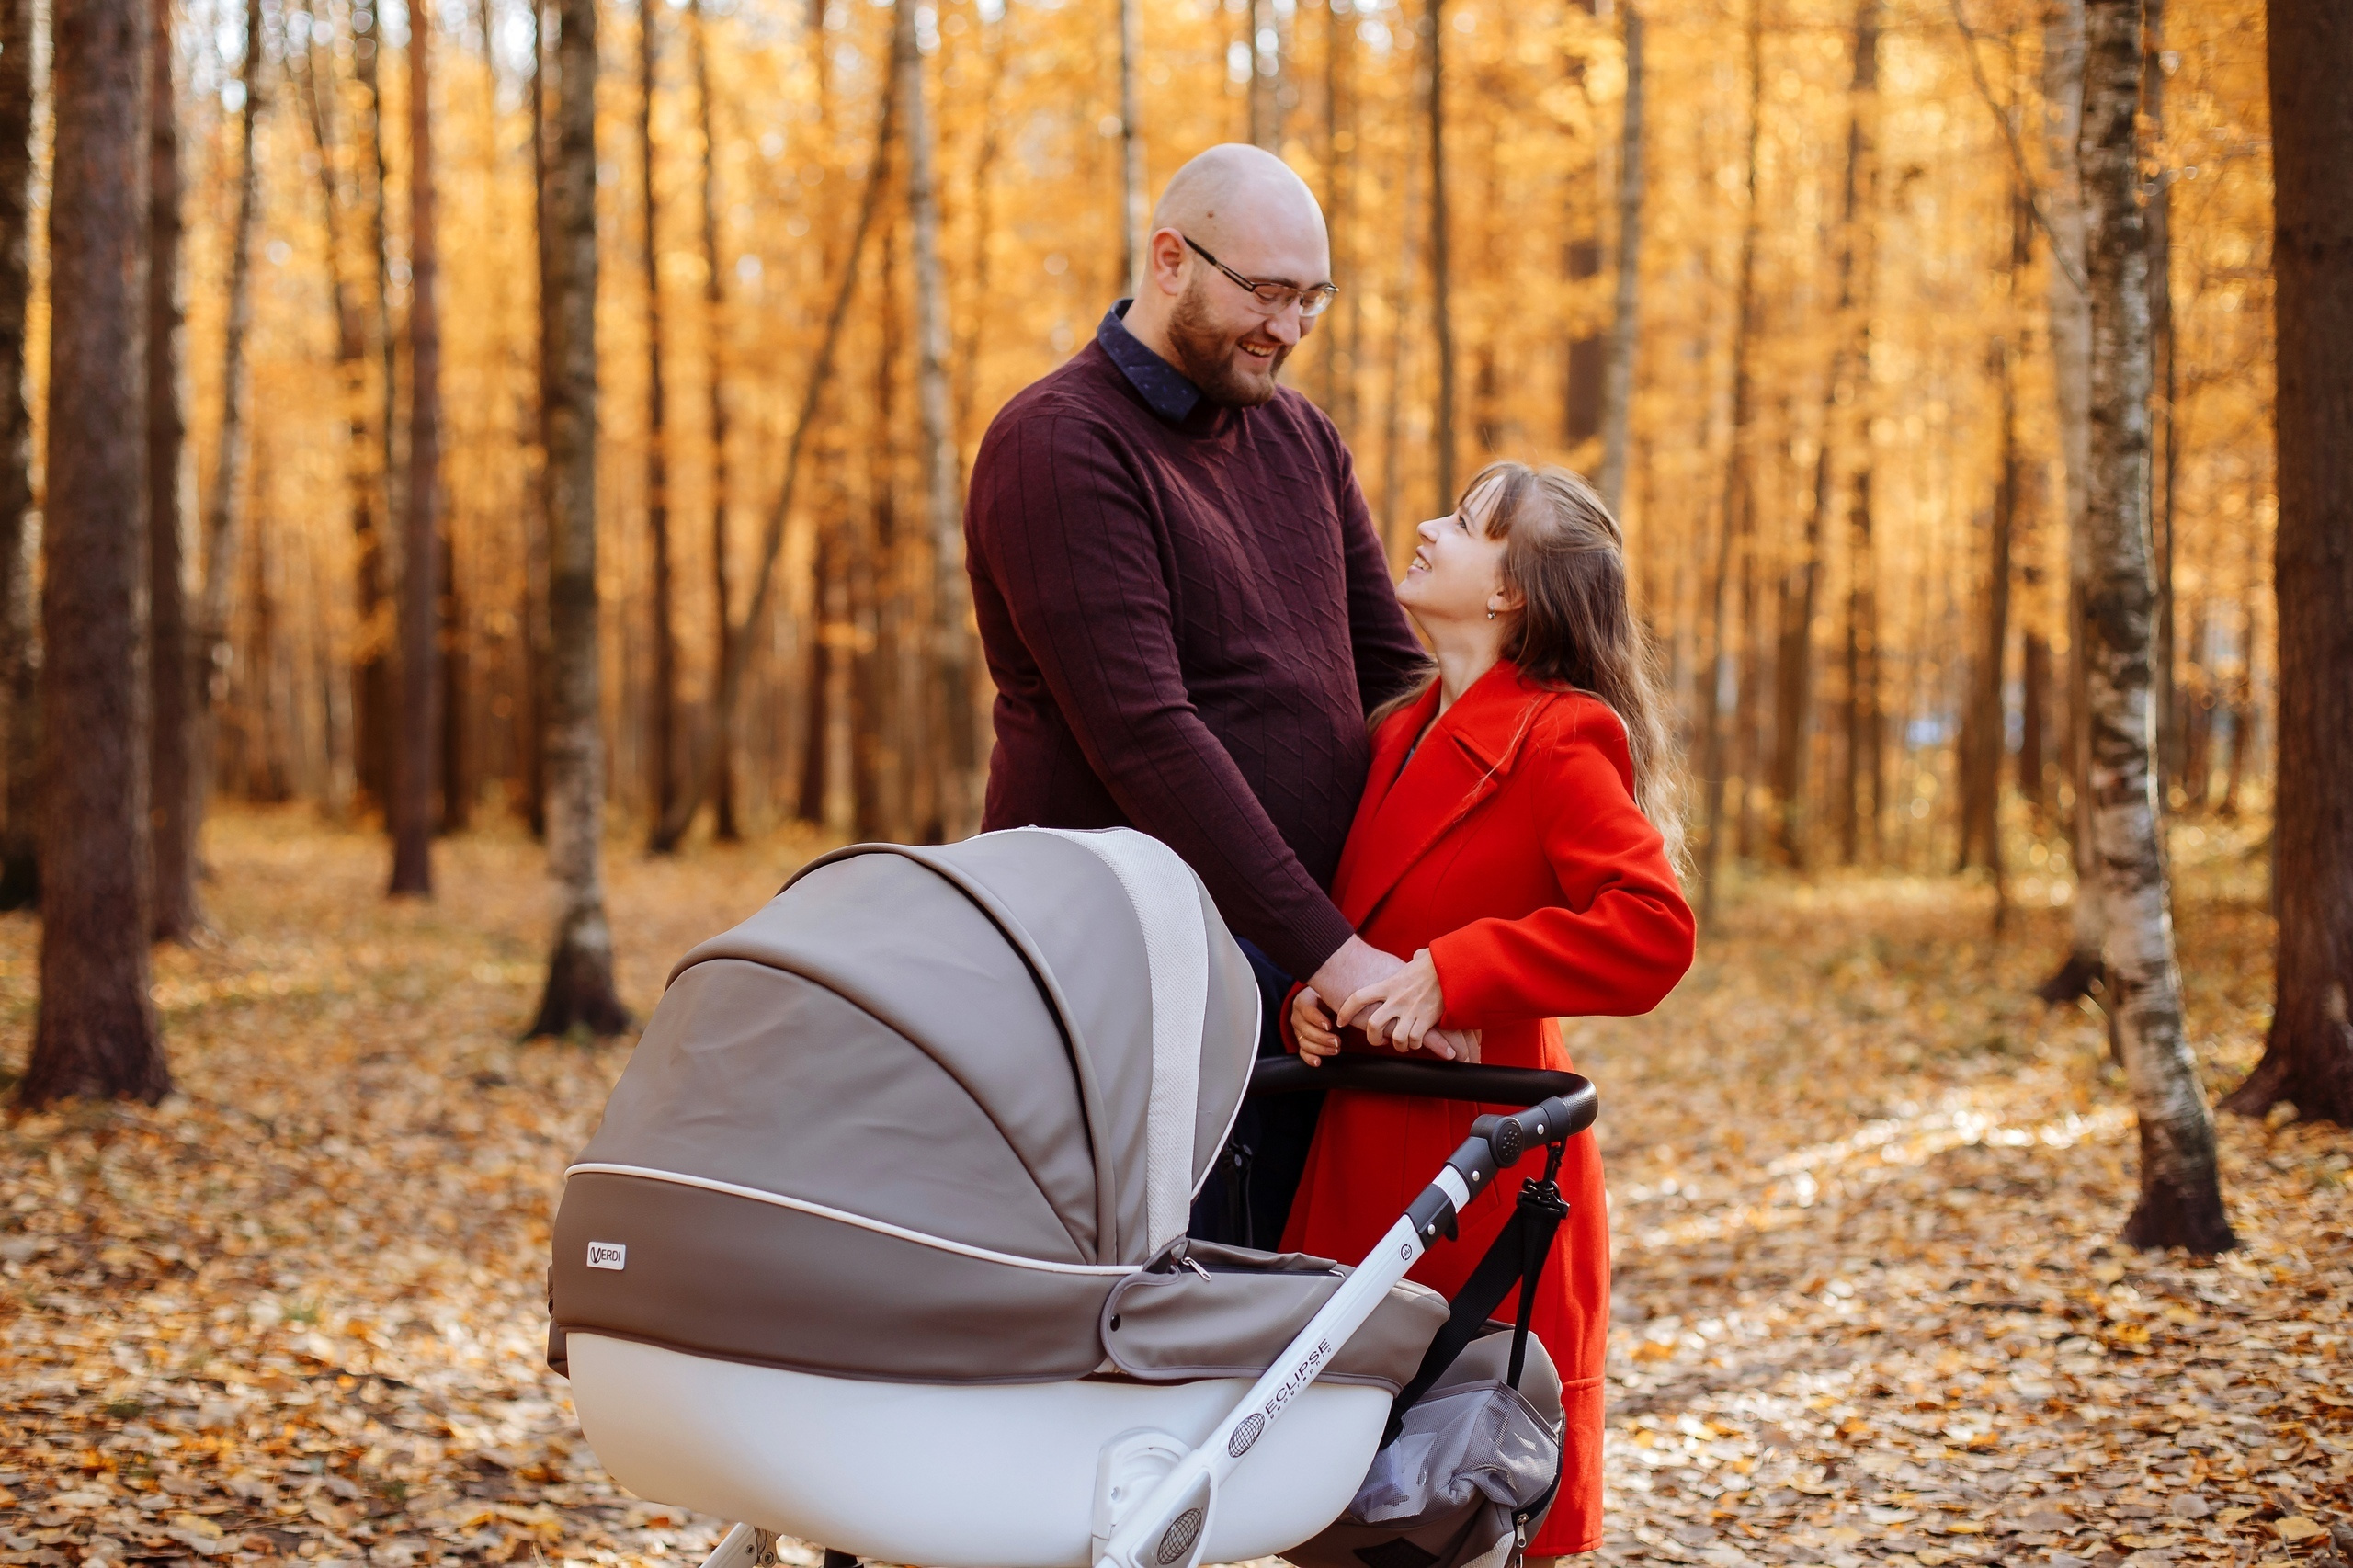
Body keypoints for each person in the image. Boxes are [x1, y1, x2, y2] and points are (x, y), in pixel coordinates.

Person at [964, 144, 1459, 1246]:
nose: (1289, 327)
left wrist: (1503, 794)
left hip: (1301, 975)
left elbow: (1389, 677)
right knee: (1158, 1310)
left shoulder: (1300, 437)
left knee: (1293, 1305)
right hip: (1124, 982)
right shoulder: (1058, 442)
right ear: (1171, 258)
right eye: (1267, 292)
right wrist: (1340, 952)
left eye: (1311, 297)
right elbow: (1146, 737)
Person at [1282, 461, 1696, 1562]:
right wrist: (1309, 1003)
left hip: (1484, 1165)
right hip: (1358, 1153)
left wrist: (1457, 972)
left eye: (1464, 526)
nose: (1423, 529)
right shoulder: (1391, 733)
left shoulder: (1562, 735)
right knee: (1328, 1496)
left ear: (1512, 590)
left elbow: (1653, 930)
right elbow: (1350, 923)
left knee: (1464, 1495)